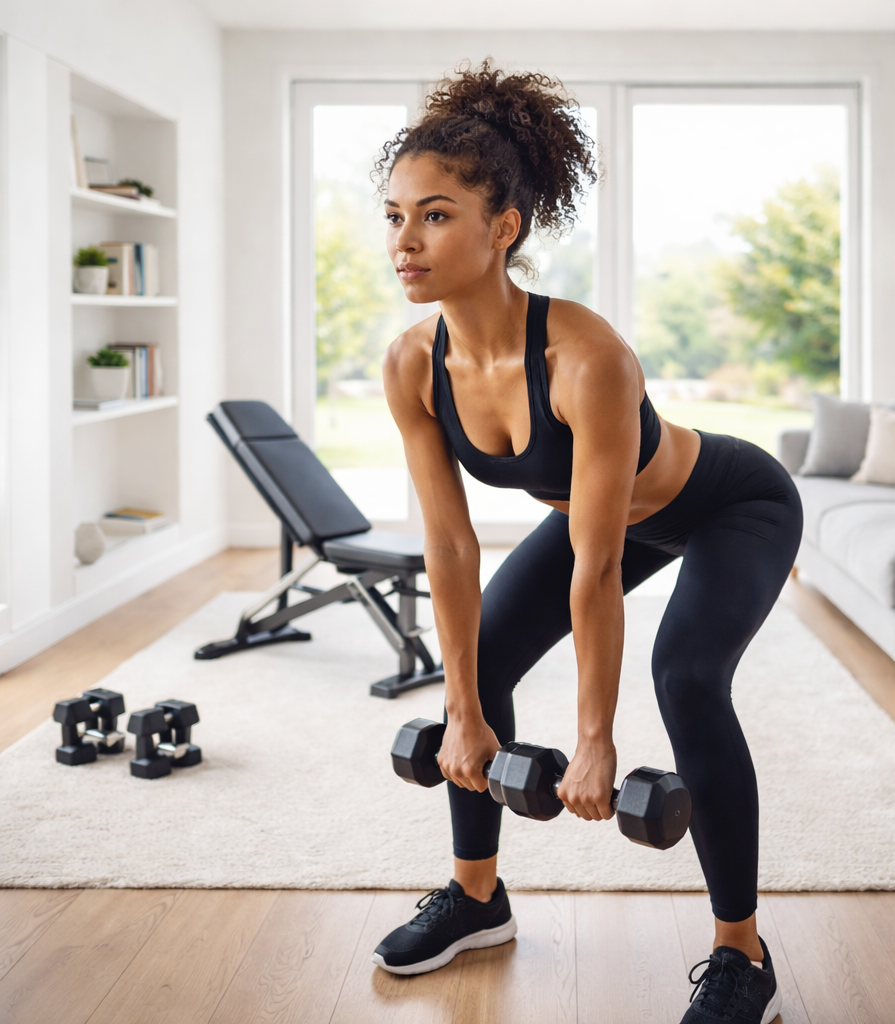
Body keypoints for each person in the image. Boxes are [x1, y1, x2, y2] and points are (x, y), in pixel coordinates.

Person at [370, 62, 802, 1024]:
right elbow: (450, 546)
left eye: (435, 215)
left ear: (504, 227)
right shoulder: (412, 364)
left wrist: (595, 742)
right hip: (604, 519)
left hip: (731, 501)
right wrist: (463, 708)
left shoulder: (586, 358)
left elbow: (598, 570)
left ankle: (744, 956)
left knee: (687, 677)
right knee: (478, 669)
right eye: (394, 216)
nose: (405, 241)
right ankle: (477, 897)